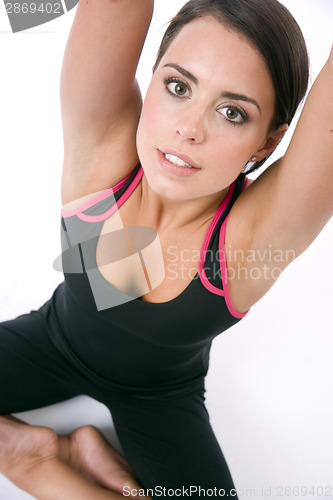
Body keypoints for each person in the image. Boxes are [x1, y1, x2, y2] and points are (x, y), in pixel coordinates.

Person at [0, 0, 332, 498]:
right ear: (151, 78)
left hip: (159, 396)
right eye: (178, 87)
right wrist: (17, 13)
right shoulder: (104, 144)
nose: (188, 130)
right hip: (51, 342)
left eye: (232, 112)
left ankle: (39, 463)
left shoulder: (251, 239)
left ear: (267, 142)